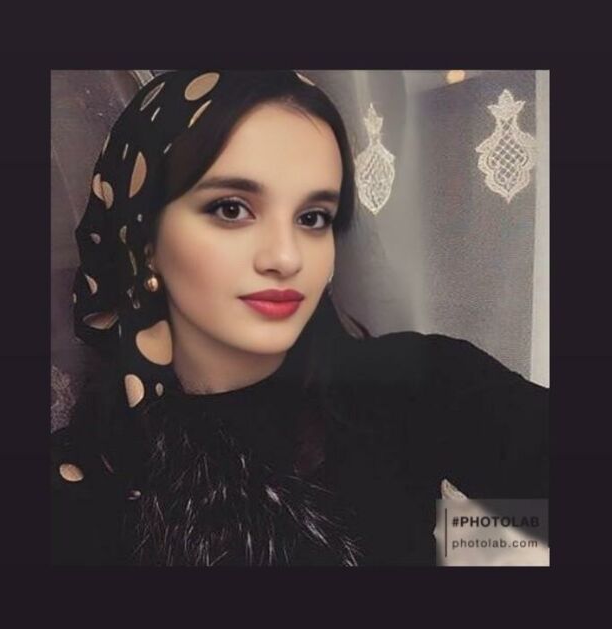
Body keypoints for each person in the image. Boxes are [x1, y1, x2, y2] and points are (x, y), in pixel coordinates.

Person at [51, 70, 549, 566]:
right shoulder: (84, 483)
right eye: (231, 209)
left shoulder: (414, 383)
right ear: (143, 240)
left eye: (313, 218)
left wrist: (482, 547)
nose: (287, 257)